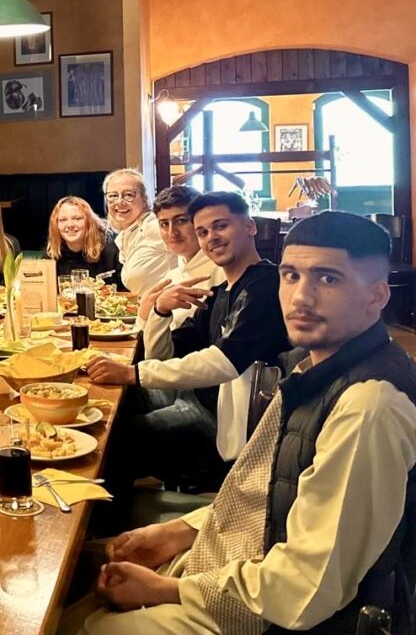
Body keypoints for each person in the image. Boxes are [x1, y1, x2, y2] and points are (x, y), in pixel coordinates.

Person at [42, 211, 416, 635]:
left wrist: (166, 591)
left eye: (328, 278)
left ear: (377, 295)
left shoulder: (369, 406)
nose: (301, 296)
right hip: (266, 594)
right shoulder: (321, 366)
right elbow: (267, 493)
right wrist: (180, 531)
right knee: (76, 598)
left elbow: (308, 586)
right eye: (291, 275)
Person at [88, 192, 291, 506]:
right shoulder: (221, 291)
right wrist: (160, 311)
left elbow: (224, 363)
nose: (212, 237)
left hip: (222, 427)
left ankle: (106, 523)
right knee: (112, 408)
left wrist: (131, 373)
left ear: (249, 226)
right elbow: (164, 356)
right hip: (197, 401)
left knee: (113, 440)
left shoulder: (264, 286)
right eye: (203, 232)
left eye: (221, 226)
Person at [137, 185, 226, 359]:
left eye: (181, 221)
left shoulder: (222, 272)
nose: (172, 232)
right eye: (164, 224)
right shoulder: (173, 275)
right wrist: (145, 315)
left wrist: (151, 316)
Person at [103, 168, 172, 295]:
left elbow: (197, 252)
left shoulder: (154, 226)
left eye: (128, 195)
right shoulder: (125, 235)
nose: (119, 202)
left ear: (144, 200)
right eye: (113, 196)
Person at [45, 196, 122, 287]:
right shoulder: (51, 258)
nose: (70, 225)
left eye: (77, 218)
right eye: (63, 220)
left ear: (89, 222)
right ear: (56, 225)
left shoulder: (111, 252)